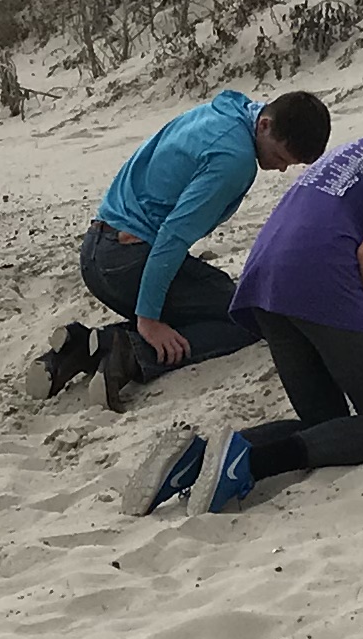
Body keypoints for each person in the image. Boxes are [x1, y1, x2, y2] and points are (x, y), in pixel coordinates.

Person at [124, 125, 363, 515]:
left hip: (267, 278)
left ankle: (193, 461)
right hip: (321, 275)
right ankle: (249, 463)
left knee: (326, 425)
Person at [27, 87, 332, 410]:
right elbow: (173, 236)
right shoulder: (235, 159)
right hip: (127, 263)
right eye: (280, 157)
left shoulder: (222, 112)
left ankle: (83, 346)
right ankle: (130, 353)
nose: (281, 168)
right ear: (265, 125)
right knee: (246, 316)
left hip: (94, 250)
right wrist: (148, 319)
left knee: (214, 298)